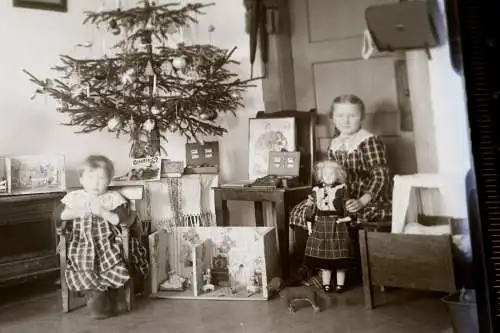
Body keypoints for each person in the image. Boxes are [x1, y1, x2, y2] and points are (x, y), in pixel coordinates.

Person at [289, 94, 392, 290]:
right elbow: (327, 175)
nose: (346, 120)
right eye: (341, 116)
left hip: (364, 197)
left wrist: (362, 201)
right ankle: (313, 265)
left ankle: (340, 268)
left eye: (352, 115)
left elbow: (381, 176)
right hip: (336, 195)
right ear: (333, 118)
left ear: (361, 117)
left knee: (338, 217)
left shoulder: (368, 141)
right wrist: (316, 197)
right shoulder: (334, 143)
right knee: (302, 211)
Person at [56, 155, 148, 319]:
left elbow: (121, 220)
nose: (96, 183)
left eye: (101, 178)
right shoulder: (75, 197)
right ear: (82, 179)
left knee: (114, 261)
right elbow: (60, 215)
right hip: (81, 242)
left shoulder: (112, 198)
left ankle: (115, 296)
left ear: (109, 180)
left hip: (107, 242)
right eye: (90, 178)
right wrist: (77, 212)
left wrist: (103, 212)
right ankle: (98, 298)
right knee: (84, 263)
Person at [303, 160, 354, 292]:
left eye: (331, 174)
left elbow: (346, 205)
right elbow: (311, 208)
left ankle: (340, 284)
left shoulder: (341, 189)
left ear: (338, 176)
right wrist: (309, 224)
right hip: (321, 225)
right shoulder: (316, 190)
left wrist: (347, 218)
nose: (328, 176)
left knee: (340, 259)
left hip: (337, 224)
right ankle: (326, 284)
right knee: (324, 261)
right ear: (321, 176)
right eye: (325, 174)